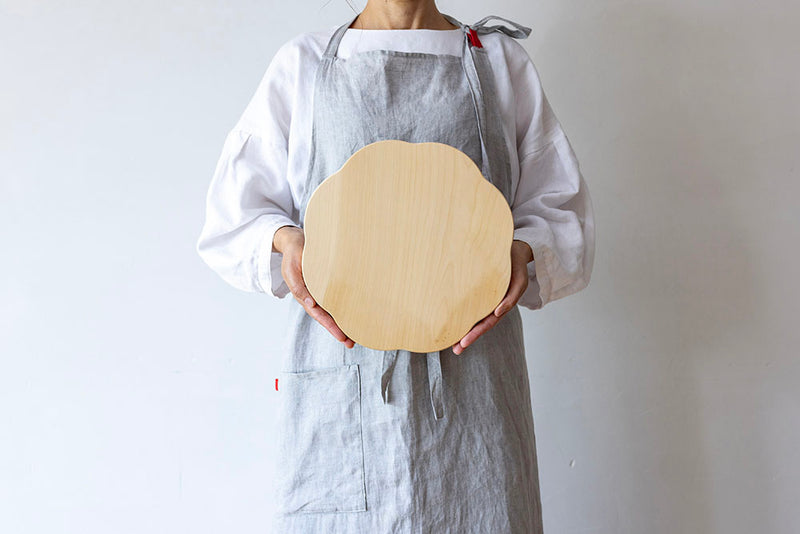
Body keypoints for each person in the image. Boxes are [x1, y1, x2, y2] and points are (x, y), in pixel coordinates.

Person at [196, 2, 595, 532]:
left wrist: (524, 250)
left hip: (474, 376)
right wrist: (285, 240)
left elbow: (557, 205)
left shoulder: (497, 61)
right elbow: (234, 215)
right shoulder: (305, 64)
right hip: (345, 377)